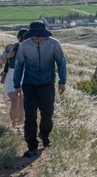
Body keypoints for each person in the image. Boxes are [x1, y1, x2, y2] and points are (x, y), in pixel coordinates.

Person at [13, 21, 67, 158]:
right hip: (29, 85)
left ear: (44, 33)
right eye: (34, 35)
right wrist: (16, 85)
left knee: (47, 115)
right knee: (30, 116)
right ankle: (32, 146)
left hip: (47, 85)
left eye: (39, 35)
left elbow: (61, 62)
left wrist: (62, 81)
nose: (37, 37)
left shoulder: (54, 44)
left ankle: (44, 135)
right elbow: (19, 65)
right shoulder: (24, 46)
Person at [0, 29, 28, 129]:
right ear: (18, 37)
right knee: (15, 100)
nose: (24, 39)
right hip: (11, 76)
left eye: (27, 37)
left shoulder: (31, 48)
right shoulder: (10, 47)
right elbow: (1, 60)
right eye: (23, 37)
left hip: (24, 77)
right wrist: (8, 55)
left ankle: (19, 126)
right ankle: (14, 126)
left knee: (20, 102)